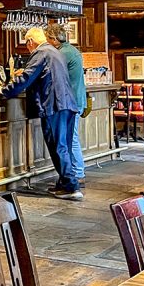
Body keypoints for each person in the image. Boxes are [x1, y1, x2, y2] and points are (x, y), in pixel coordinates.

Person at [1, 27, 82, 200]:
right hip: (68, 103)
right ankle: (64, 183)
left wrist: (5, 90)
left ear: (30, 41)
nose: (27, 47)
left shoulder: (41, 53)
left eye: (26, 44)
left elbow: (26, 78)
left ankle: (71, 186)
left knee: (58, 146)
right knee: (65, 146)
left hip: (54, 104)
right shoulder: (55, 51)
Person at [46, 22, 87, 190]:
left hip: (71, 101)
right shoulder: (71, 50)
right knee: (72, 138)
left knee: (71, 139)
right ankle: (76, 172)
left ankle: (77, 173)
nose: (47, 42)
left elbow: (51, 74)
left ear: (54, 39)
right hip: (76, 99)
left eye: (48, 39)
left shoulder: (62, 53)